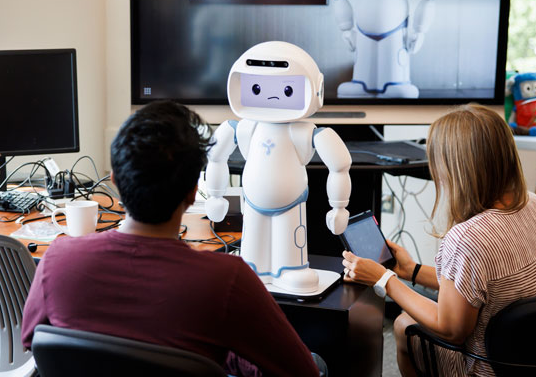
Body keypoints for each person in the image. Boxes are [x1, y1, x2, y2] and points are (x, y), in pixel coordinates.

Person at [21, 100, 319, 377]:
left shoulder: (57, 259)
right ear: (193, 191)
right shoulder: (228, 280)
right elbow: (303, 372)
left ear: (114, 180)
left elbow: (34, 342)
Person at [342, 103, 536, 376]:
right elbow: (483, 287)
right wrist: (410, 271)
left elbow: (452, 330)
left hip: (492, 368)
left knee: (403, 325)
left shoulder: (468, 239)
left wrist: (384, 280)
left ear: (455, 170)